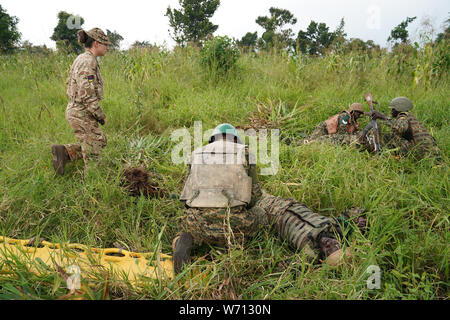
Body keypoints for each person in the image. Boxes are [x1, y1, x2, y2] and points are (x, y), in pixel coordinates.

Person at [172, 124, 366, 274]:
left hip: (196, 223)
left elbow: (186, 198)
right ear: (236, 140)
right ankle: (231, 241)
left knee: (191, 223)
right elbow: (254, 197)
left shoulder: (196, 154)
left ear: (213, 138)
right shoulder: (245, 152)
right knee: (262, 213)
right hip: (234, 226)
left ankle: (189, 239)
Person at [51, 28, 111, 175]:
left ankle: (65, 152)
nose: (107, 48)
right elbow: (87, 94)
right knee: (94, 146)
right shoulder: (87, 61)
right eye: (105, 44)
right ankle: (93, 183)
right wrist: (100, 115)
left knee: (99, 140)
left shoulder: (85, 58)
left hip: (79, 109)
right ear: (96, 43)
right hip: (80, 110)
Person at [362, 97, 440, 159]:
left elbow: (399, 127)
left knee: (389, 136)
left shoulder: (403, 116)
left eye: (393, 109)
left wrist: (382, 117)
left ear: (399, 109)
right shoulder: (410, 117)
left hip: (421, 153)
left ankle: (378, 154)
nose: (391, 111)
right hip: (431, 153)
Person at [297, 103, 365, 146]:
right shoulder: (345, 117)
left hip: (329, 132)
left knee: (315, 143)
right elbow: (341, 132)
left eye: (360, 113)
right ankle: (293, 142)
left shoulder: (353, 121)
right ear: (352, 111)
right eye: (357, 113)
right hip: (323, 129)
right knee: (311, 142)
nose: (358, 115)